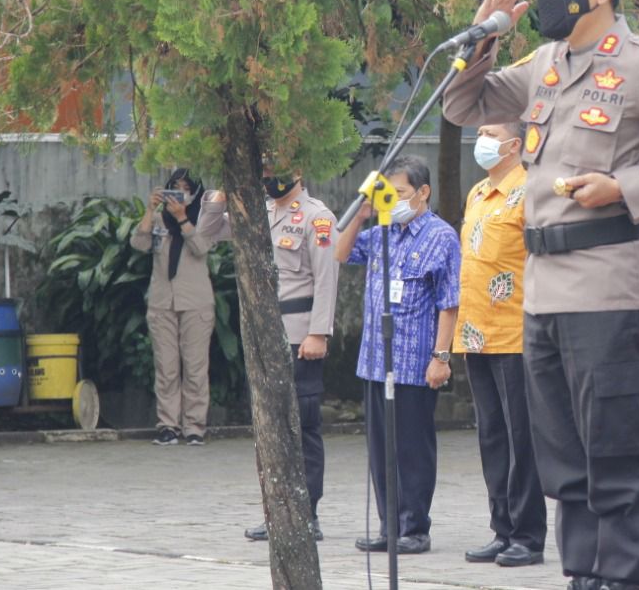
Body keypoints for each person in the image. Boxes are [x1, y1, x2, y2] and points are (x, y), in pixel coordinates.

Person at [443, 0, 639, 590]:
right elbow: (463, 106)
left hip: (607, 290)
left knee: (616, 454)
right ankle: (583, 575)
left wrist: (627, 189)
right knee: (565, 464)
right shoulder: (546, 62)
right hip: (542, 297)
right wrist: (483, 36)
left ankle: (624, 576)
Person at [336, 155, 460, 556]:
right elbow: (339, 253)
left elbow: (449, 302)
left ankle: (414, 528)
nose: (396, 201)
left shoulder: (441, 237)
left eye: (401, 193)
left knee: (411, 448)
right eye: (390, 193)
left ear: (423, 192)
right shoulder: (383, 231)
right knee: (380, 449)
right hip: (375, 361)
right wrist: (362, 212)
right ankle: (389, 526)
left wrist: (441, 356)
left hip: (414, 363)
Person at [455, 123, 548, 568]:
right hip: (476, 333)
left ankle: (528, 535)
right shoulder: (476, 192)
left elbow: (543, 259)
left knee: (520, 437)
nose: (481, 139)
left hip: (514, 331)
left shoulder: (529, 189)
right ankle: (502, 529)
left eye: (490, 132)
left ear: (514, 144)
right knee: (492, 435)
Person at [243, 167, 339, 543]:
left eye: (277, 170)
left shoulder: (317, 217)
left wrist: (319, 332)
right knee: (271, 425)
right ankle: (277, 509)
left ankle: (307, 511)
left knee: (304, 424)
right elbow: (208, 233)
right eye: (264, 170)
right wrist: (217, 198)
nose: (270, 177)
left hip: (301, 335)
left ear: (299, 171)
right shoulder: (259, 211)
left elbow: (326, 278)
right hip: (265, 335)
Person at [131, 169, 227, 447]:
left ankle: (194, 427)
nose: (180, 192)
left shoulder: (206, 220)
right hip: (162, 303)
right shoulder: (159, 220)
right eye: (175, 187)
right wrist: (150, 210)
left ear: (196, 192)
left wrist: (183, 218)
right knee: (166, 368)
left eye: (186, 188)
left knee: (196, 367)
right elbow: (139, 243)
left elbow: (201, 248)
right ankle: (168, 426)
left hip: (196, 303)